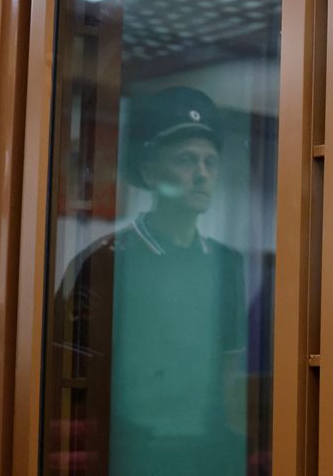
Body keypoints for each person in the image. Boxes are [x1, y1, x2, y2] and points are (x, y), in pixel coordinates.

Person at [47, 87, 247, 476]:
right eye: (186, 161)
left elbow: (227, 375)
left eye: (210, 161)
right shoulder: (106, 262)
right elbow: (71, 383)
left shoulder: (227, 264)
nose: (201, 175)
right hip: (127, 454)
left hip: (207, 454)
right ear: (151, 171)